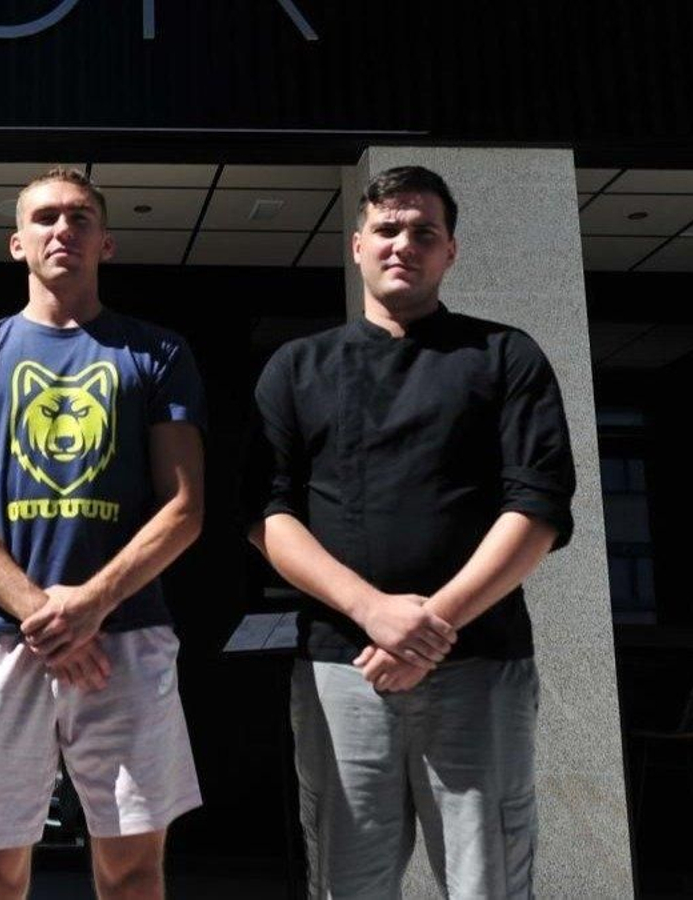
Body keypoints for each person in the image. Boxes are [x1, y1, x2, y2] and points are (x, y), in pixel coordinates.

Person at [245, 165, 576, 898]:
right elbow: (268, 516)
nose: (404, 244)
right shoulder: (298, 368)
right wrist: (374, 612)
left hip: (478, 661)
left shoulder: (506, 356)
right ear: (358, 244)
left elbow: (539, 506)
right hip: (342, 665)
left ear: (450, 252)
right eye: (388, 229)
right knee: (346, 882)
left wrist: (432, 624)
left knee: (486, 880)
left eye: (423, 231)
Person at [0, 167, 205, 899]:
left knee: (134, 867)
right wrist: (46, 614)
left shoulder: (158, 352)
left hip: (127, 635)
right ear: (18, 244)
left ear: (105, 242)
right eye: (45, 219)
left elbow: (184, 507)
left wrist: (92, 607)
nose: (63, 231)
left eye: (79, 219)